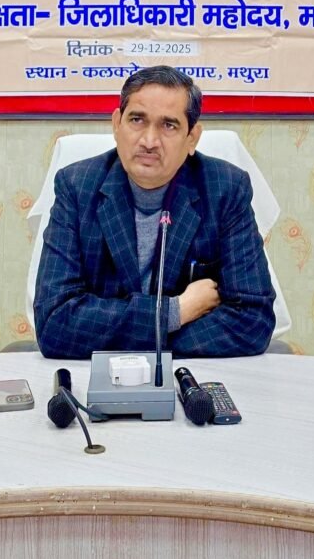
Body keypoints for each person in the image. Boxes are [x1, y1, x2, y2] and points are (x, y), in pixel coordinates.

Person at [35, 65, 276, 358]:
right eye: (137, 120)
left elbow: (253, 321)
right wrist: (175, 312)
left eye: (169, 125)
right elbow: (54, 324)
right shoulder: (77, 186)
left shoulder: (225, 189)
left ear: (192, 138)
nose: (149, 141)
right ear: (116, 124)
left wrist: (140, 340)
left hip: (190, 375)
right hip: (98, 376)